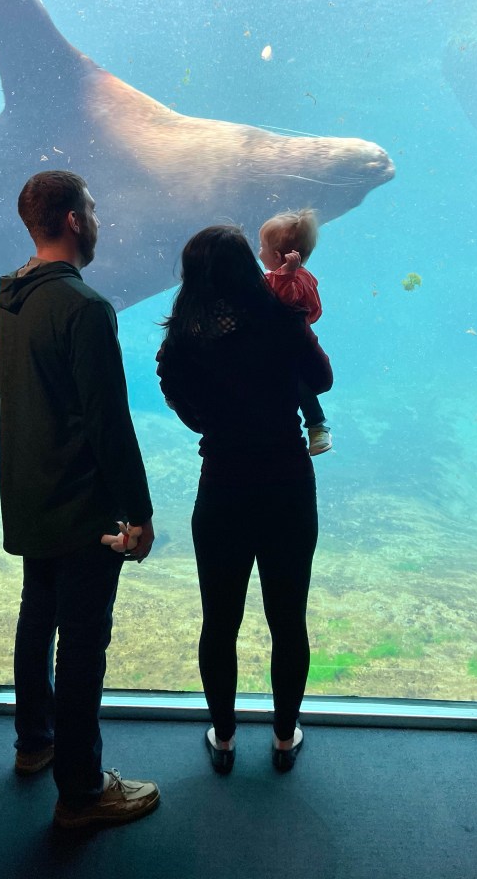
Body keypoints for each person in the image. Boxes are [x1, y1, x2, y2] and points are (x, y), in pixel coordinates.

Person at [0, 169, 160, 829]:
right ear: (71, 220)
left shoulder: (11, 298)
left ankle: (34, 743)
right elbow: (107, 422)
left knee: (38, 619)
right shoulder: (84, 308)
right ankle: (82, 792)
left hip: (30, 497)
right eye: (91, 208)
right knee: (84, 643)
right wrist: (139, 512)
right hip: (80, 506)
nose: (96, 219)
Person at [156, 225, 333, 774]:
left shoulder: (187, 335)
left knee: (219, 620)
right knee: (289, 618)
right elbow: (322, 379)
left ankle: (226, 738)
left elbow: (171, 386)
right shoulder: (282, 320)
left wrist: (209, 424)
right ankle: (283, 738)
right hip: (287, 482)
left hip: (223, 484)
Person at [259, 208, 333, 456]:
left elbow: (288, 301)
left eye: (262, 247)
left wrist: (286, 276)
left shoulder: (297, 279)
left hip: (295, 352)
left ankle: (317, 425)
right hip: (280, 350)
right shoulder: (281, 276)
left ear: (277, 256)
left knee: (300, 385)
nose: (259, 252)